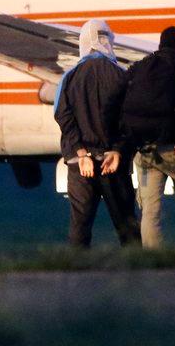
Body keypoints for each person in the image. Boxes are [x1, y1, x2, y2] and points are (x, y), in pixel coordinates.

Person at [54, 19, 141, 248]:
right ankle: (139, 276)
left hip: (80, 165)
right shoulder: (122, 76)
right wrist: (117, 150)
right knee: (127, 228)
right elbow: (132, 120)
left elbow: (62, 115)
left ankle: (78, 278)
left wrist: (81, 153)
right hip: (113, 163)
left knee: (80, 228)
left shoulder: (69, 78)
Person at [123, 26, 175, 248]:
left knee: (150, 212)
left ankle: (154, 264)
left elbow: (122, 96)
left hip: (145, 151)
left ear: (160, 44)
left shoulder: (141, 67)